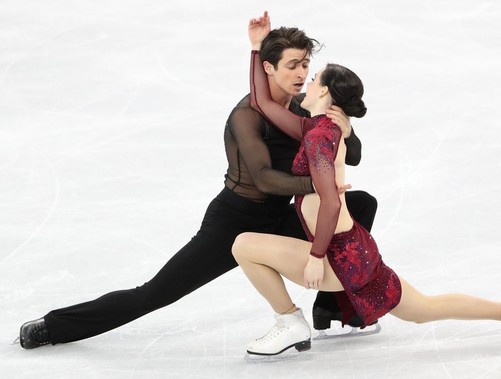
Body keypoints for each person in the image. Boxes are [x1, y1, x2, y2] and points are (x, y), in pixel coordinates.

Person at [17, 17, 379, 349]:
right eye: (292, 65)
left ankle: (330, 308)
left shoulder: (307, 107)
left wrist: (347, 131)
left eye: (305, 64)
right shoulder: (246, 117)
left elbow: (353, 155)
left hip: (279, 219)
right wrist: (317, 189)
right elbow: (265, 180)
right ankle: (54, 326)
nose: (302, 73)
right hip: (234, 221)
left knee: (362, 205)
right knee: (153, 294)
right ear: (269, 67)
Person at [231, 12, 501, 356]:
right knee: (423, 308)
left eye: (314, 76)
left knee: (244, 244)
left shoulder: (320, 136)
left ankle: (289, 321)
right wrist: (258, 47)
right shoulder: (324, 128)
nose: (307, 79)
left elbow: (332, 203)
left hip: (338, 255)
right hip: (357, 249)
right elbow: (262, 102)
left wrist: (315, 258)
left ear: (325, 92)